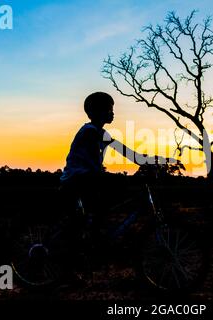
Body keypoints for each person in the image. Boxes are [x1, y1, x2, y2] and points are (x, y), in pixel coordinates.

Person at [60, 92, 169, 238]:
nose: (113, 113)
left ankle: (94, 228)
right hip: (78, 177)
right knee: (118, 183)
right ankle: (94, 232)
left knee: (108, 196)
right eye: (110, 109)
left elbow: (123, 150)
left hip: (85, 176)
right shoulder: (90, 131)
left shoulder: (99, 132)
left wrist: (146, 161)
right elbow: (95, 162)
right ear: (98, 111)